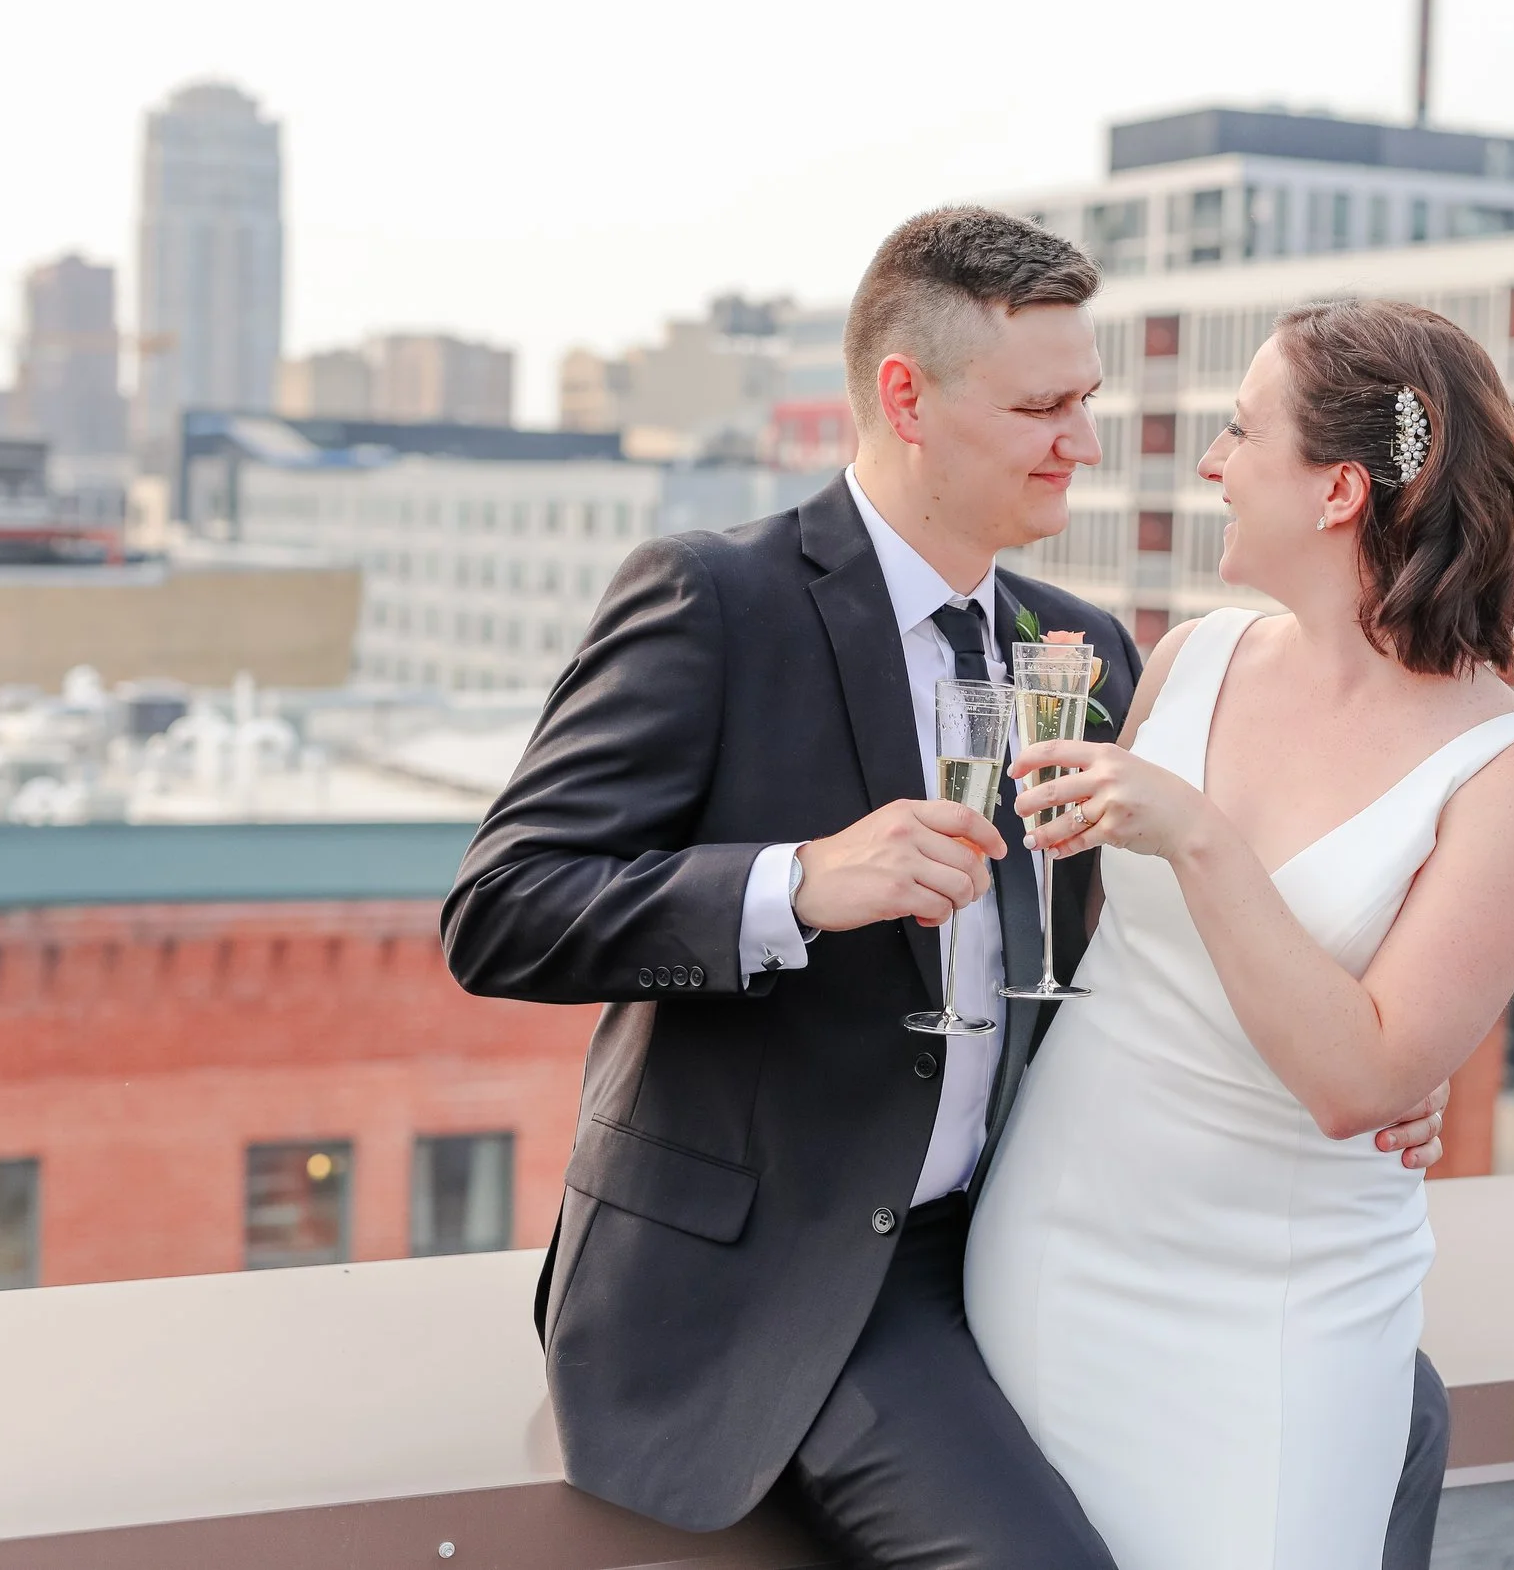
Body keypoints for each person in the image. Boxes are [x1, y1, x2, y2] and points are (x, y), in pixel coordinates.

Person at [441, 208, 1452, 1569]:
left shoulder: (1081, 645)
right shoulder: (714, 601)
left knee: (1396, 1406)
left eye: (1085, 400)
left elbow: (1135, 949)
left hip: (1032, 1227)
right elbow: (503, 905)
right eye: (1041, 405)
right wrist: (797, 885)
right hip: (795, 1270)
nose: (1080, 442)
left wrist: (1370, 1046)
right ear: (906, 398)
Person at [965, 297, 1514, 1570]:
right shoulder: (1187, 658)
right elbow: (1088, 939)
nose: (1211, 462)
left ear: (1339, 488)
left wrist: (1201, 837)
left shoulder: (1511, 768)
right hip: (1058, 1250)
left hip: (1288, 1306)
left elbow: (1358, 1079)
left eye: (1243, 432)